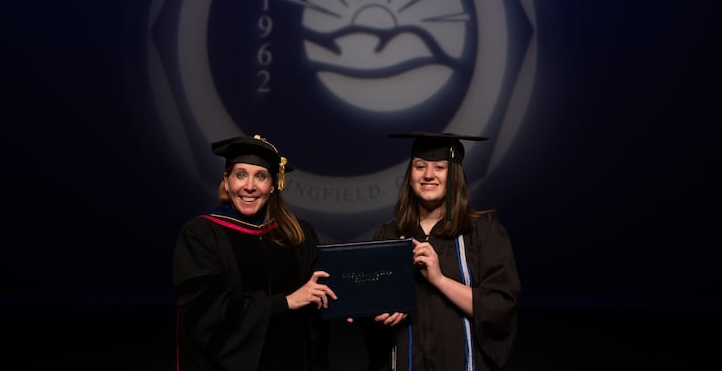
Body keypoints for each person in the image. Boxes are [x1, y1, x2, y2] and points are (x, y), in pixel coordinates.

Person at [172, 133, 337, 371]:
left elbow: (320, 299)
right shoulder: (201, 235)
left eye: (260, 176)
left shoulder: (297, 234)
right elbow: (206, 312)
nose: (249, 186)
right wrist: (286, 302)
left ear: (273, 185)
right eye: (240, 175)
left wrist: (349, 304)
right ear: (226, 180)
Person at [362, 131, 521, 371]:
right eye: (420, 166)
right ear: (410, 174)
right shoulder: (389, 235)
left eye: (439, 167)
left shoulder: (483, 231)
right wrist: (377, 314)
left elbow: (500, 308)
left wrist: (439, 280)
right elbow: (373, 312)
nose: (428, 175)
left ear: (454, 175)